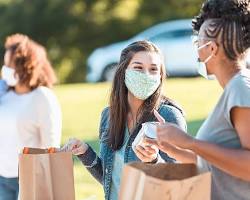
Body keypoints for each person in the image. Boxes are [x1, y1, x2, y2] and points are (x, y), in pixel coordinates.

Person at [146, 0, 250, 199]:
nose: (197, 51)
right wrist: (171, 147)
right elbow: (214, 162)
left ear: (212, 49)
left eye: (198, 43)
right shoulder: (234, 89)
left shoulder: (240, 87)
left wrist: (190, 142)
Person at [63, 41, 187, 200]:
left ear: (160, 76)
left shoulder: (168, 116)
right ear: (123, 72)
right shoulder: (108, 116)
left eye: (153, 69)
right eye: (138, 68)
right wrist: (85, 152)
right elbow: (112, 180)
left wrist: (154, 161)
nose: (146, 75)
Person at [0, 34, 62, 200]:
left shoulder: (43, 97)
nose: (5, 69)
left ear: (25, 66)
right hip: (2, 178)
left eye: (9, 65)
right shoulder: (4, 94)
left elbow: (51, 145)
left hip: (29, 178)